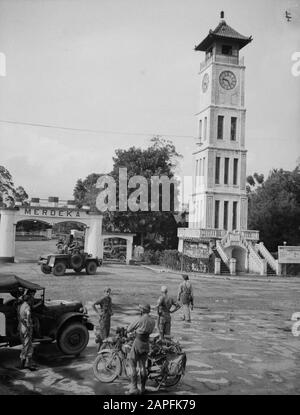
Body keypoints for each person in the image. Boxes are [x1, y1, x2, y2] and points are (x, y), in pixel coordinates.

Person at [126, 304, 155, 395]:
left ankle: (134, 388)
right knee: (143, 366)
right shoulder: (152, 321)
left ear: (142, 311)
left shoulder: (140, 319)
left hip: (137, 342)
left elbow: (129, 329)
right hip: (146, 344)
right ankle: (142, 388)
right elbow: (149, 331)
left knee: (132, 363)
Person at [17, 292, 37, 371]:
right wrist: (29, 324)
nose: (32, 300)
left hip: (21, 326)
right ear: (28, 300)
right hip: (26, 328)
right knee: (28, 346)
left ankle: (24, 363)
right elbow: (28, 314)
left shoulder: (21, 306)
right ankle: (27, 364)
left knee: (26, 345)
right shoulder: (27, 307)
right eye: (31, 299)